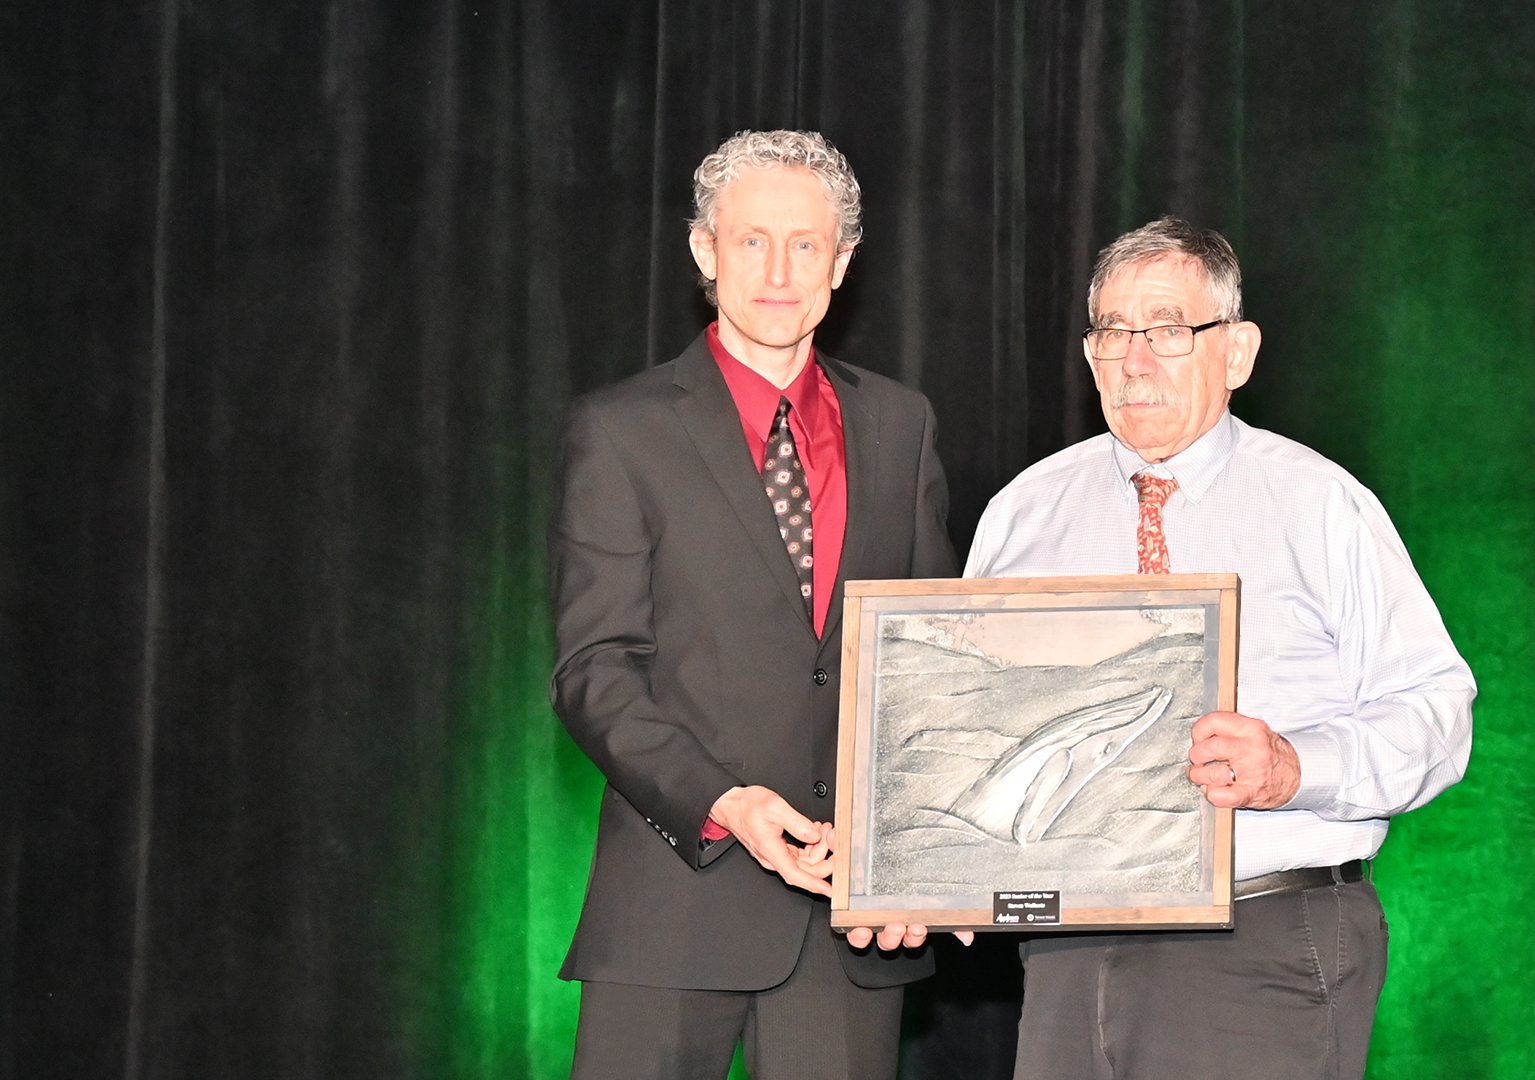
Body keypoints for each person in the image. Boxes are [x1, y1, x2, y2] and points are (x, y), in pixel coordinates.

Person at [964, 216, 1475, 1080]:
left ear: (1236, 353)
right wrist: (933, 870)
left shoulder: (1319, 504)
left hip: (1261, 935)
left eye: (1168, 330)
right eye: (1112, 333)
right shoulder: (1025, 513)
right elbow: (974, 722)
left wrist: (1292, 765)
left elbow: (1436, 715)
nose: (1135, 359)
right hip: (1065, 950)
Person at [548, 129, 956, 1080]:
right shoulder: (619, 431)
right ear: (705, 252)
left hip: (848, 925)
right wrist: (725, 803)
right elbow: (592, 670)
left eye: (806, 244)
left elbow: (930, 669)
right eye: (751, 241)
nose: (779, 270)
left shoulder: (903, 424)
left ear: (842, 262)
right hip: (671, 906)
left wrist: (914, 859)